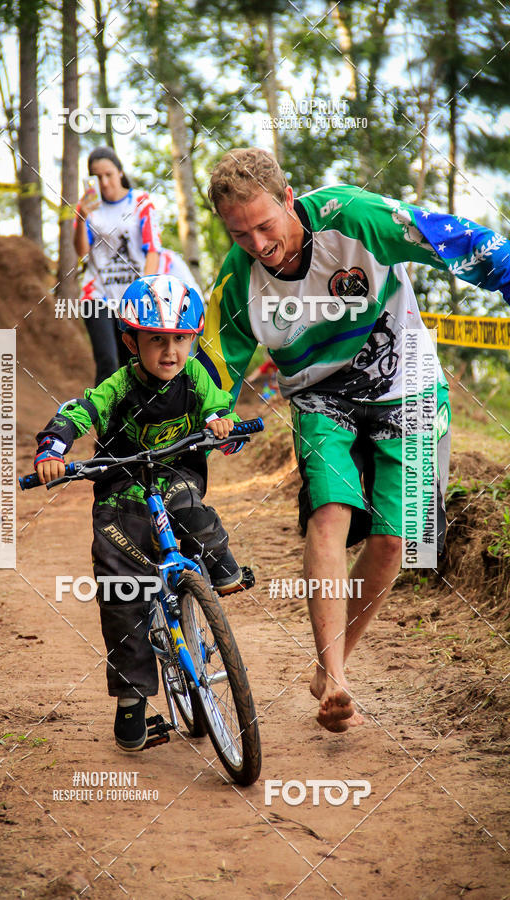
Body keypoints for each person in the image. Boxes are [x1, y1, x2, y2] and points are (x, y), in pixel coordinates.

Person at [198, 147, 510, 733]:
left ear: (289, 198)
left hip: (409, 385)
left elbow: (456, 239)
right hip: (321, 400)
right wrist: (214, 416)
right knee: (330, 515)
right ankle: (335, 677)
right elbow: (217, 359)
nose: (259, 245)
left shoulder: (356, 217)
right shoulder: (236, 279)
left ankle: (332, 661)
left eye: (266, 226)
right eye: (240, 235)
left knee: (397, 543)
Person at [34, 274, 245, 751]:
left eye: (180, 339)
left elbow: (218, 409)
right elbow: (80, 409)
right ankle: (131, 705)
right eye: (156, 340)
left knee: (191, 512)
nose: (170, 351)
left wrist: (223, 424)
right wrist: (53, 446)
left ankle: (220, 569)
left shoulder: (195, 376)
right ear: (130, 341)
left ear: (192, 339)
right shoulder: (119, 384)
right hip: (121, 489)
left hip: (177, 475)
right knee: (120, 585)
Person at [73, 147, 162, 385]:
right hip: (97, 296)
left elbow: (153, 250)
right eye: (97, 176)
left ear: (120, 172)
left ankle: (132, 421)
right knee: (108, 363)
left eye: (109, 174)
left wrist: (144, 291)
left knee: (133, 364)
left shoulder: (141, 202)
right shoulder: (89, 209)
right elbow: (82, 251)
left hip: (133, 296)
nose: (104, 182)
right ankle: (105, 422)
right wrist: (81, 215)